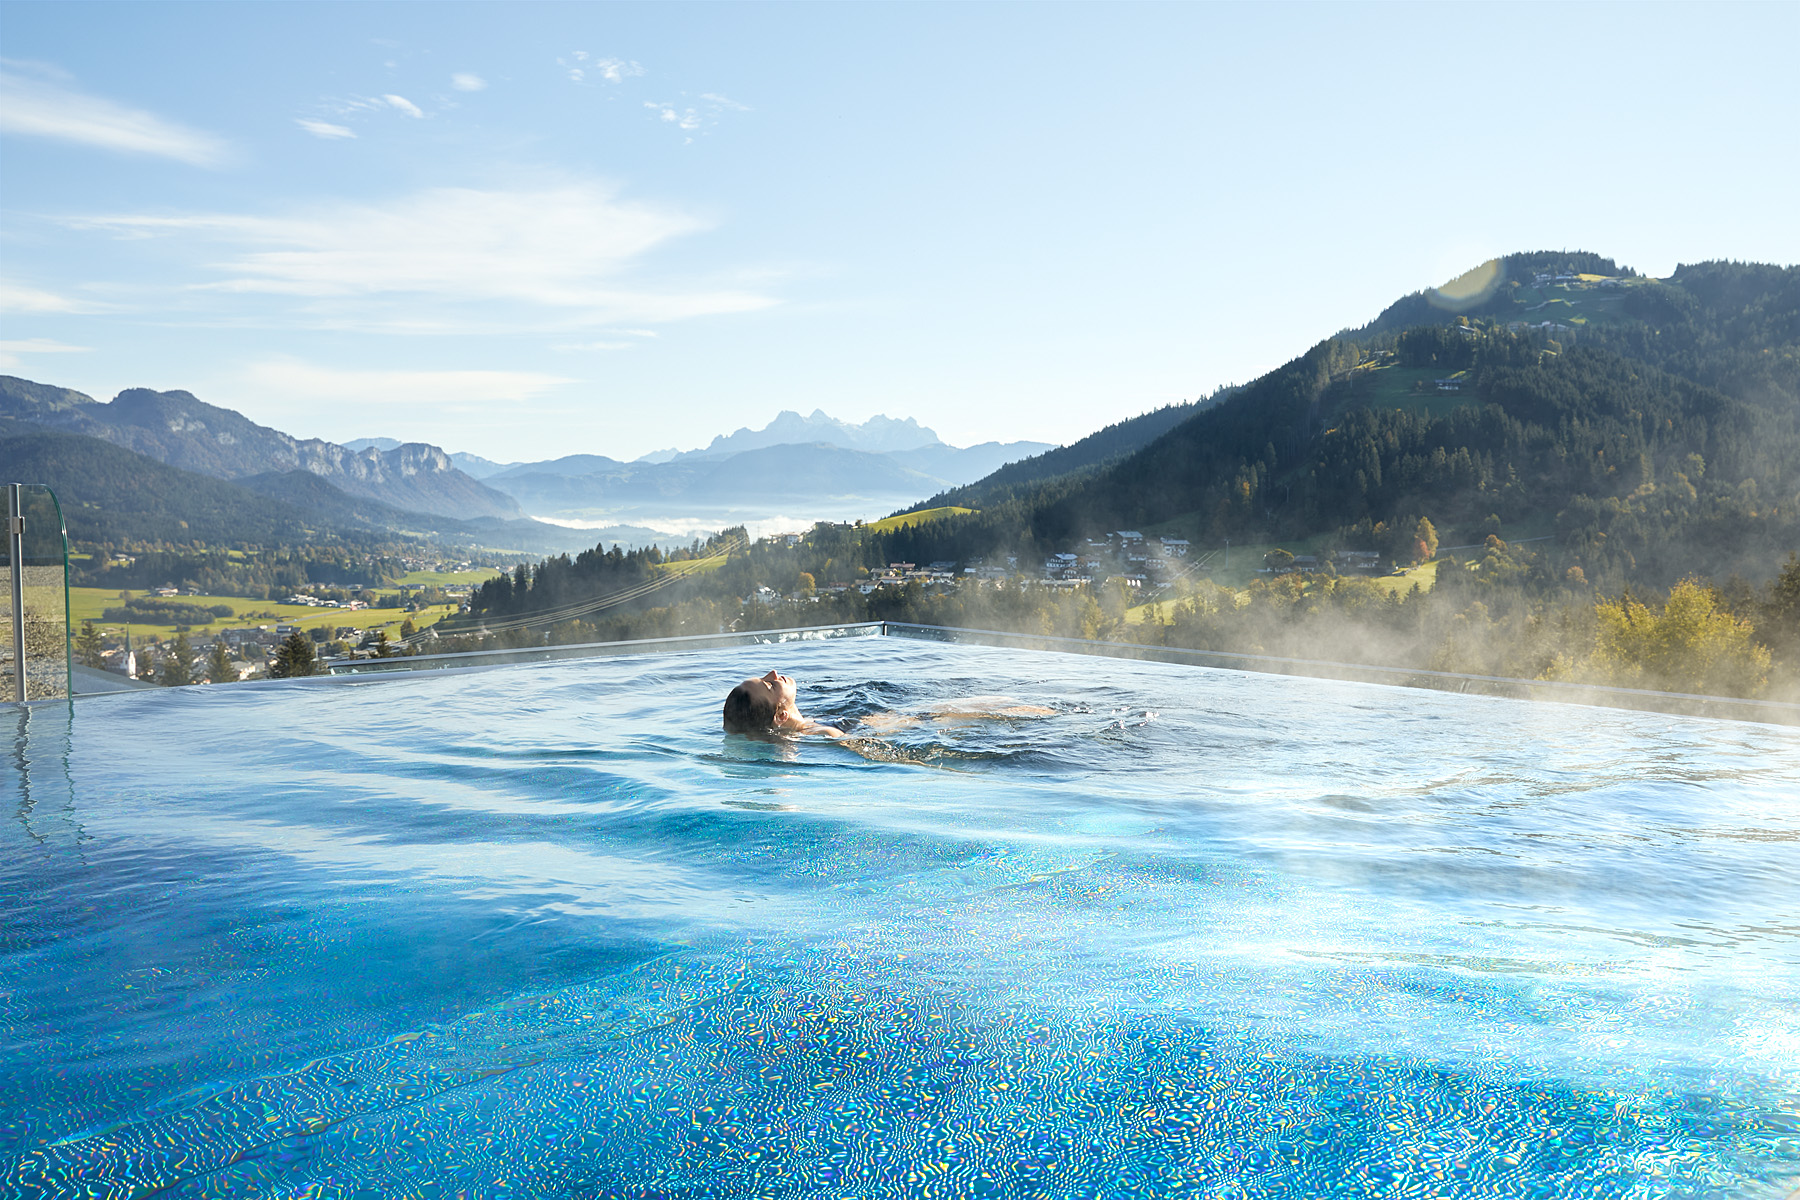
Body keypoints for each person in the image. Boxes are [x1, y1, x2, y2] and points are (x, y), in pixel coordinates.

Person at [721, 669, 1054, 739]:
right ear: (780, 715)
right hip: (890, 727)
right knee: (943, 713)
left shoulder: (804, 727)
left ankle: (1023, 709)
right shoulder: (822, 735)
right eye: (768, 683)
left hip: (859, 720)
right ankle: (1040, 714)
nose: (774, 673)